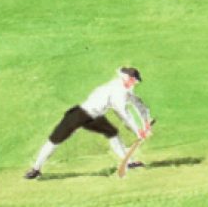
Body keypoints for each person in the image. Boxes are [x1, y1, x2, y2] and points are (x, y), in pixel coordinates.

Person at [24, 67, 153, 180]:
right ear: (127, 78)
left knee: (112, 132)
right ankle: (36, 169)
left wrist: (146, 122)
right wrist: (138, 131)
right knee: (55, 139)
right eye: (133, 80)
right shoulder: (118, 90)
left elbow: (140, 105)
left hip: (95, 117)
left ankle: (128, 162)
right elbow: (124, 113)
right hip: (81, 114)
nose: (135, 83)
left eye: (135, 81)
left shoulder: (126, 90)